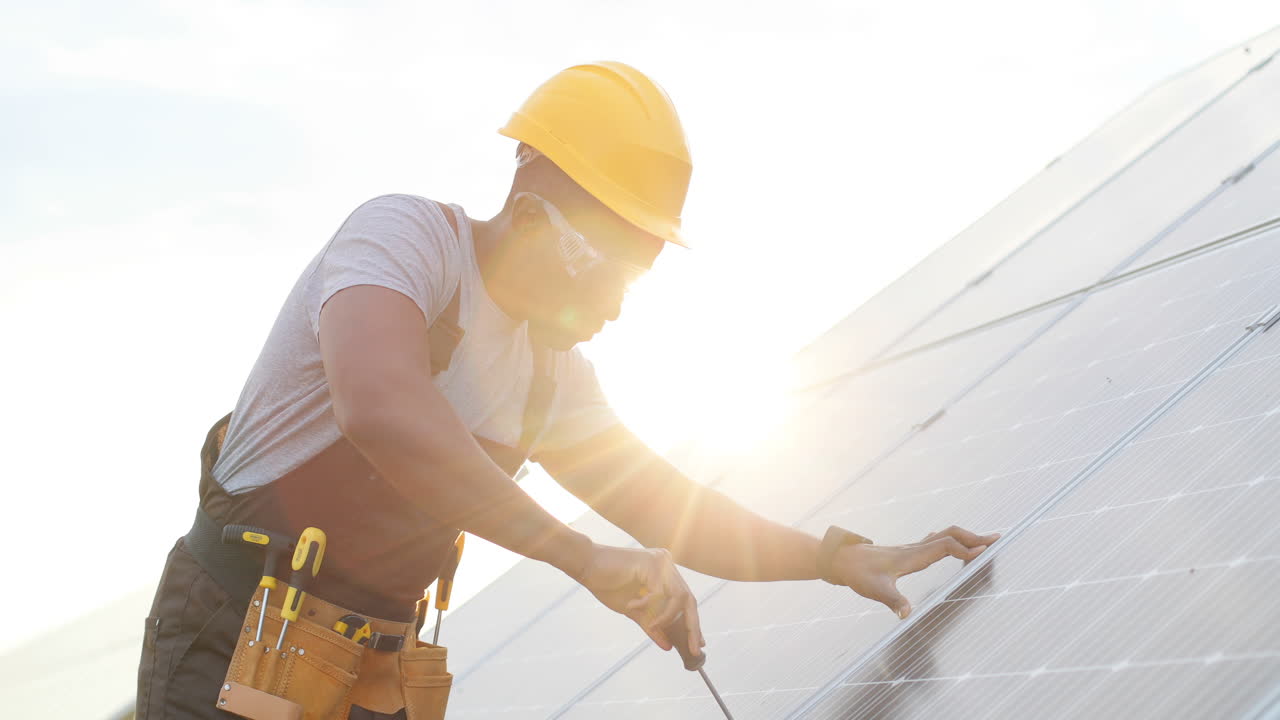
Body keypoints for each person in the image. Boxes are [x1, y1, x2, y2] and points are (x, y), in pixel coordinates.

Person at [136, 60, 998, 719]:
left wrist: (833, 559)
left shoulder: (552, 379)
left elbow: (670, 509)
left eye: (635, 278)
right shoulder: (405, 242)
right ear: (529, 218)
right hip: (232, 646)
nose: (615, 307)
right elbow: (382, 410)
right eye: (604, 271)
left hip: (369, 678)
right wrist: (582, 559)